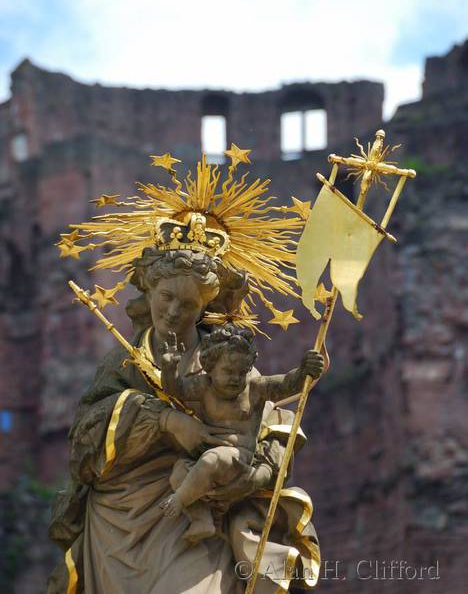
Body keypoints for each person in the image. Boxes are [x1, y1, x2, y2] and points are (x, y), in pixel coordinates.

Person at [48, 248, 320, 594]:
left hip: (204, 514)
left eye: (189, 305)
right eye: (166, 297)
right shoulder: (124, 361)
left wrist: (255, 478)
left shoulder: (226, 361)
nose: (174, 312)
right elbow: (84, 444)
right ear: (149, 291)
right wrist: (165, 421)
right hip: (122, 520)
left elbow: (272, 426)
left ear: (204, 307)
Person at [159, 324, 324, 546]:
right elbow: (176, 390)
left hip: (240, 459)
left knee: (212, 460)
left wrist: (304, 372)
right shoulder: (203, 387)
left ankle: (177, 501)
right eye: (228, 372)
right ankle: (202, 520)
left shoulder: (255, 388)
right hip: (206, 458)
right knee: (178, 473)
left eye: (242, 372)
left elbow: (285, 384)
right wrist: (170, 369)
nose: (236, 379)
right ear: (210, 366)